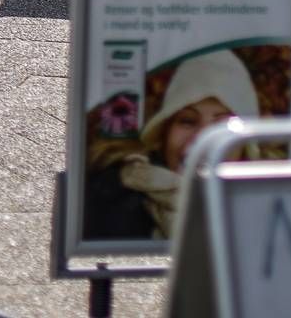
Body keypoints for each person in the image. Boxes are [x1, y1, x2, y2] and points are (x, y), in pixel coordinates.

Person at [83, 49, 262, 241]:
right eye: (187, 121)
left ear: (245, 147)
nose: (202, 139)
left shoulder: (270, 216)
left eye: (222, 125)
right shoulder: (110, 204)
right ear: (164, 134)